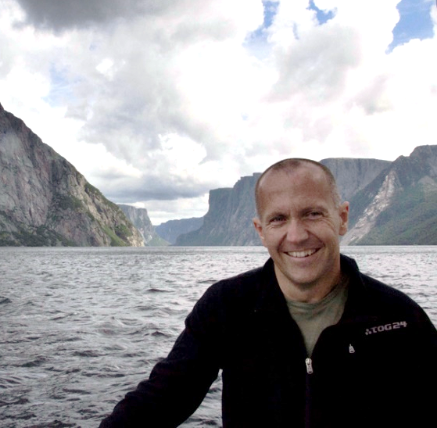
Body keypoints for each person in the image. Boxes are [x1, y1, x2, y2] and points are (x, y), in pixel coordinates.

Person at [99, 158, 436, 428]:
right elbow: (163, 398)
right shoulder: (227, 306)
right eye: (278, 219)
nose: (297, 235)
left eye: (313, 214)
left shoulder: (399, 318)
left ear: (342, 218)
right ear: (261, 231)